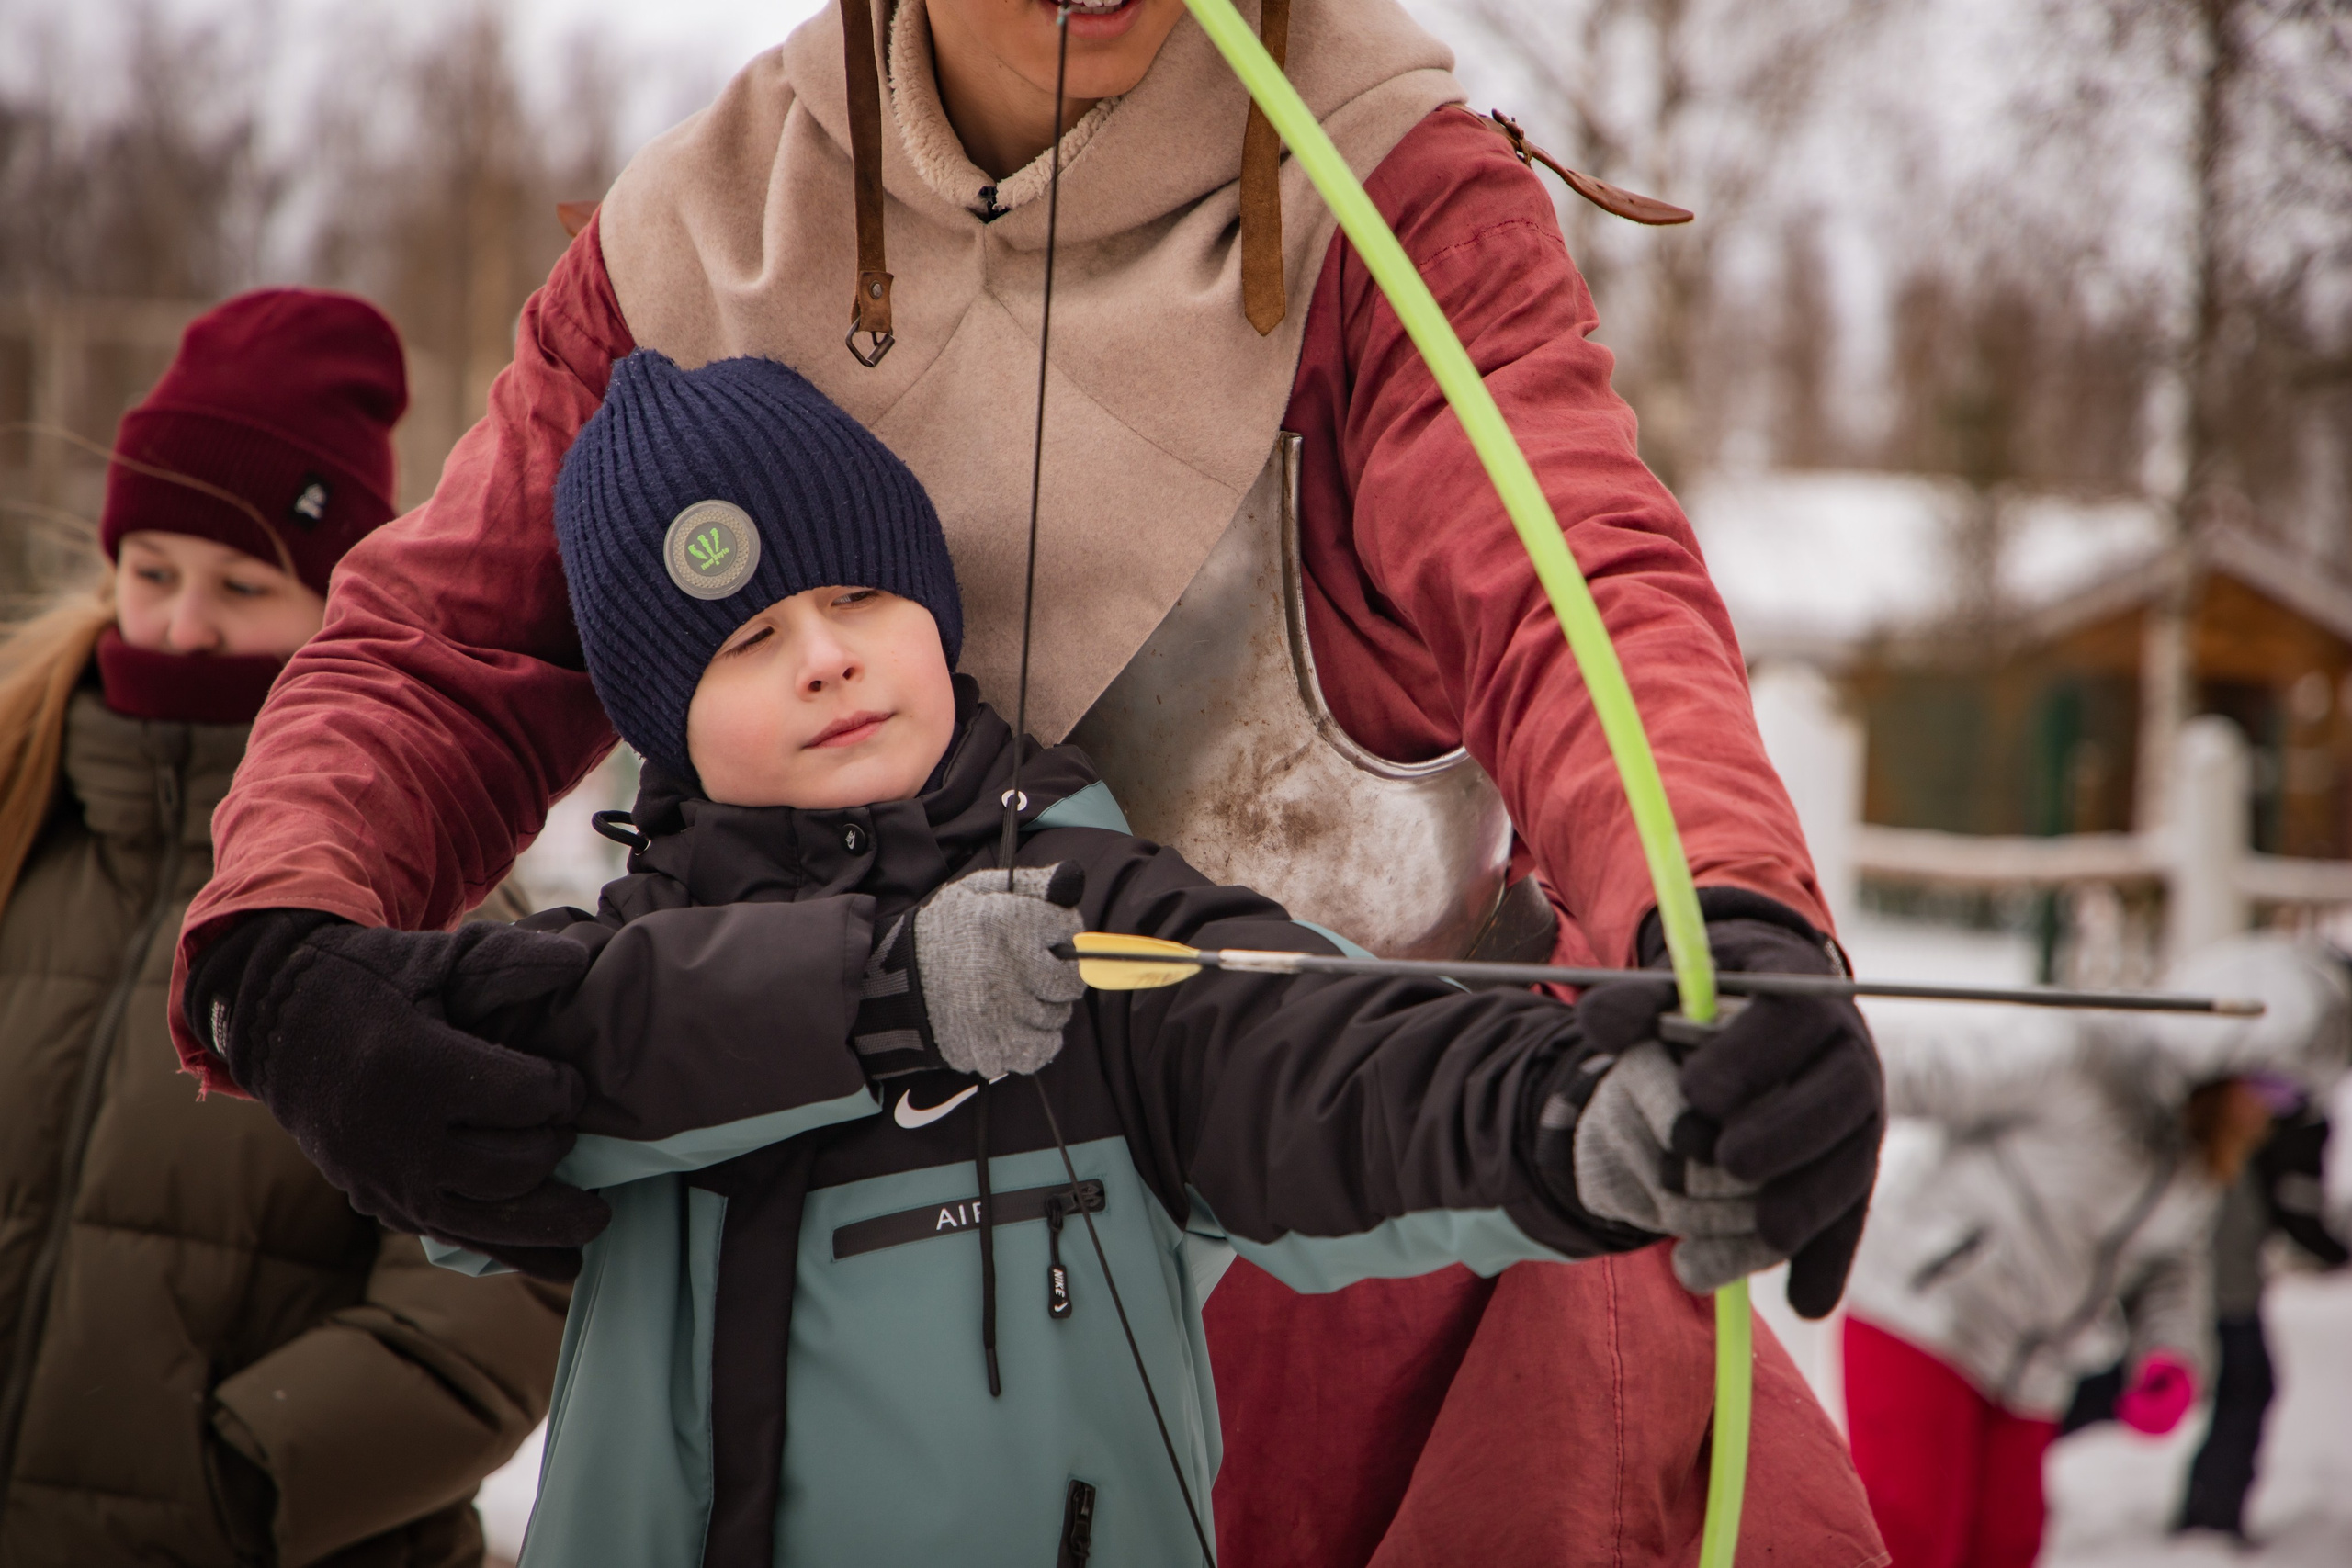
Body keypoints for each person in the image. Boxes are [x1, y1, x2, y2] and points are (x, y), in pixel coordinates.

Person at [172, 1, 1888, 1559]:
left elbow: (1571, 586)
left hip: (1392, 1264)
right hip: (832, 1302)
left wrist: (1724, 907)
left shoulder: (1392, 198)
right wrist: (287, 951)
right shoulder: (699, 236)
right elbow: (434, 655)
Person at [0, 290, 565, 1567]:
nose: (181, 624)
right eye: (151, 572)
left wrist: (238, 1478)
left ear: (337, 605)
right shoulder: (19, 805)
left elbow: (502, 1277)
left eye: (240, 583)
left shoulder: (434, 889)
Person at [1839, 934, 2351, 1568]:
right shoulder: (2083, 1058)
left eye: (2295, 1099)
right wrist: (1787, 1059)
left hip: (2033, 1365)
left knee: (2006, 1545)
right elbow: (1915, 1071)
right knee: (1910, 1540)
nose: (2274, 1113)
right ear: (2224, 1054)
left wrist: (2169, 1352)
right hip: (1925, 1318)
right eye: (2274, 1086)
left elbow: (2175, 1265)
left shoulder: (2194, 1154)